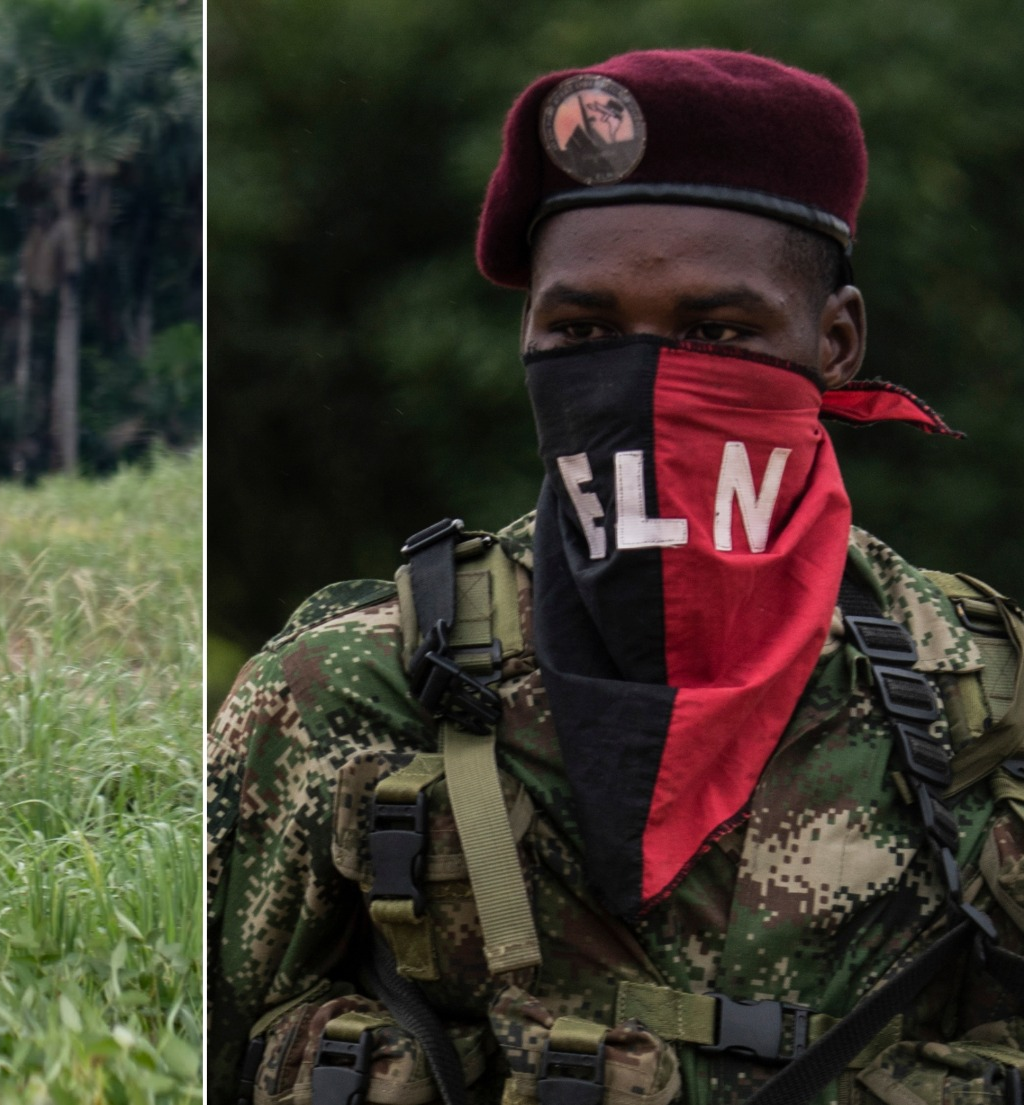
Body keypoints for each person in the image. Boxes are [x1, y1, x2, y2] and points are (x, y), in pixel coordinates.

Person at [208, 50, 1024, 1105]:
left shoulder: (984, 694)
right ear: (529, 339)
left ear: (835, 342)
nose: (644, 381)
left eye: (714, 333)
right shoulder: (346, 687)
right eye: (583, 331)